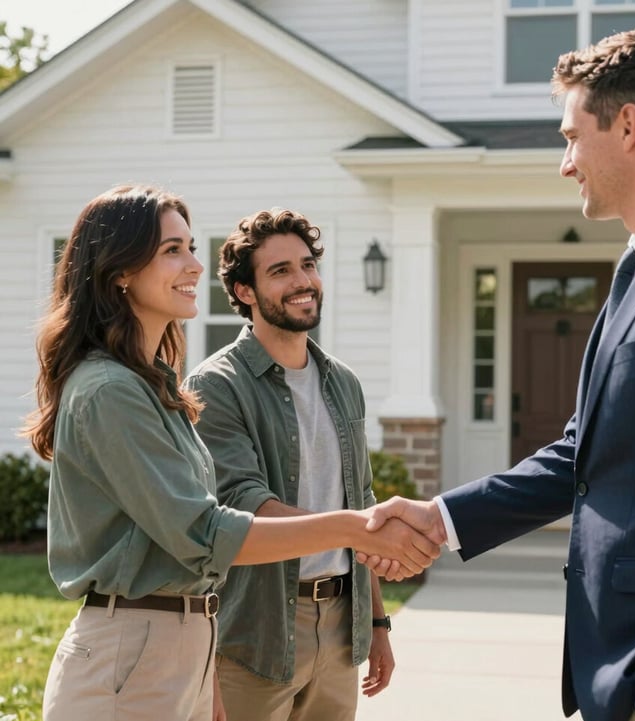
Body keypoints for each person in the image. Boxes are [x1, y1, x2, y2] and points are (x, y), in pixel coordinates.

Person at [363, 26, 635, 721]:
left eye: (572, 136)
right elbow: (582, 456)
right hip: (615, 670)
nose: (565, 162)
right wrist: (441, 516)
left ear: (630, 126)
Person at [22, 185, 438, 721]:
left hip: (185, 641)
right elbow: (203, 532)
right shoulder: (111, 390)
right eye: (173, 249)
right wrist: (357, 529)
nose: (195, 264)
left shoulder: (154, 384)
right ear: (120, 270)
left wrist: (205, 664)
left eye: (190, 247)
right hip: (134, 651)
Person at [182, 207, 393, 721]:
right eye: (280, 271)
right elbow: (245, 508)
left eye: (307, 265)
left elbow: (359, 498)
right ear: (245, 293)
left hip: (342, 622)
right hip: (259, 627)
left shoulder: (342, 382)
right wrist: (359, 531)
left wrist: (380, 624)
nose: (303, 281)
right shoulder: (216, 387)